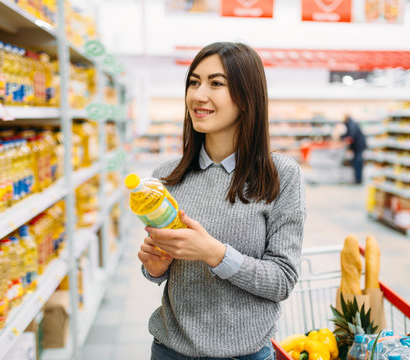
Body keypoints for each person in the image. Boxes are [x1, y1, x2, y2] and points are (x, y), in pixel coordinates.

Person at [137, 42, 306, 360]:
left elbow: (283, 280)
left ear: (246, 98)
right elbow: (157, 270)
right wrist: (155, 267)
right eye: (193, 82)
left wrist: (215, 254)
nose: (199, 95)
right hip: (170, 351)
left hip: (245, 353)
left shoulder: (280, 175)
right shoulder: (166, 176)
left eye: (216, 83)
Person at [340, 114, 367, 184]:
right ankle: (358, 179)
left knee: (357, 162)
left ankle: (358, 180)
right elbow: (349, 134)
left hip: (358, 146)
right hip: (358, 146)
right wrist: (343, 137)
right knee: (357, 162)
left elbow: (351, 135)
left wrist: (344, 139)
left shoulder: (351, 124)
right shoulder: (351, 123)